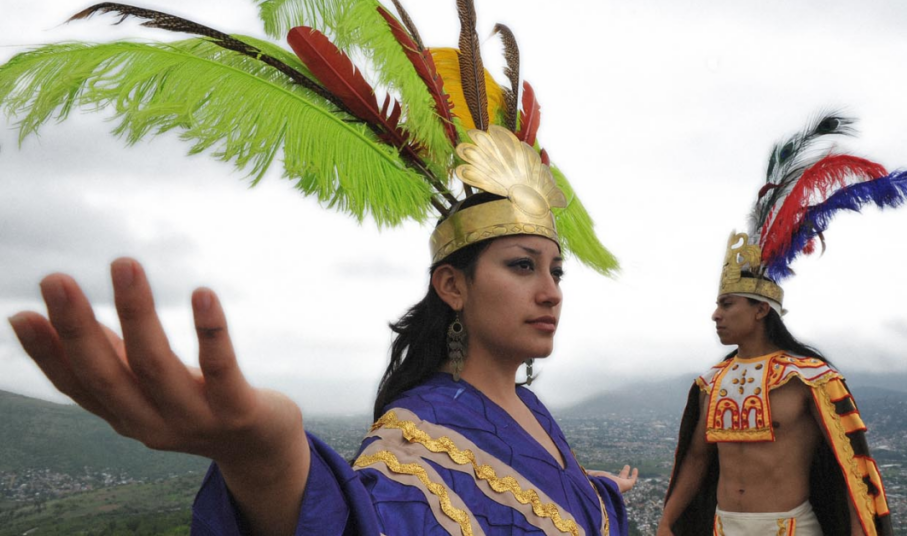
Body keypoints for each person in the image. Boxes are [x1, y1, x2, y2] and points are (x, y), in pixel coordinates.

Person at [4, 1, 635, 534]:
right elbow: (371, 517)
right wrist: (266, 461)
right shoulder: (419, 437)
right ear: (452, 285)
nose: (550, 292)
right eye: (523, 266)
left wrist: (602, 489)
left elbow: (559, 503)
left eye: (557, 272)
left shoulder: (532, 412)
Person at [657, 113, 907, 536]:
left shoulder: (811, 379)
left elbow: (849, 466)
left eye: (727, 304)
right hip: (722, 527)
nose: (716, 315)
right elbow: (696, 460)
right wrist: (666, 522)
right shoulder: (710, 384)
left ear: (761, 309)